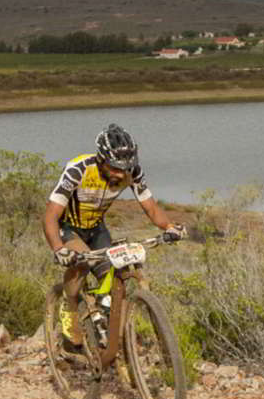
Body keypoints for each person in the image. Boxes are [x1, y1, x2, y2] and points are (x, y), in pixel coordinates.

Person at [41, 124, 183, 348]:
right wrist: (59, 248)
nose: (120, 174)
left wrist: (169, 227)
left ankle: (107, 324)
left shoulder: (132, 171)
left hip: (97, 227)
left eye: (125, 168)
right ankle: (69, 305)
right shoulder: (79, 169)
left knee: (114, 273)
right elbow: (50, 215)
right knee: (82, 262)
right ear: (101, 159)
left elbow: (151, 207)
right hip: (68, 226)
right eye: (115, 168)